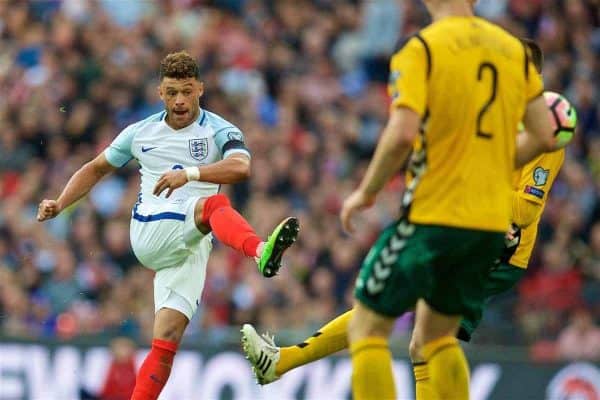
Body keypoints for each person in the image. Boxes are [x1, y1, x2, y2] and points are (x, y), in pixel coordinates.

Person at [243, 0, 559, 398]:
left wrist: (367, 192)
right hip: (474, 227)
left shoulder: (424, 49)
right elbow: (540, 136)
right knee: (430, 342)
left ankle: (282, 362)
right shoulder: (499, 87)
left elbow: (527, 203)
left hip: (479, 237)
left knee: (375, 324)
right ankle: (284, 360)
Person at [37, 50, 299, 400]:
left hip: (190, 243)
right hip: (151, 227)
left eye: (187, 91)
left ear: (200, 89)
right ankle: (261, 251)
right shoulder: (140, 133)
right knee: (215, 204)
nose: (179, 100)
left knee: (166, 343)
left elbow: (241, 167)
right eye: (172, 92)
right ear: (160, 93)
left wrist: (189, 174)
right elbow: (95, 168)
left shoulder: (220, 130)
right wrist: (60, 203)